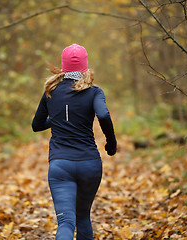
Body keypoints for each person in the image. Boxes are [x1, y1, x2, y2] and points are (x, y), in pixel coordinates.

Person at [32, 43, 117, 240]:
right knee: (83, 217)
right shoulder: (95, 92)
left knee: (66, 222)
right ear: (86, 67)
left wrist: (57, 117)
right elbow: (103, 115)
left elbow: (36, 125)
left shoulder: (50, 91)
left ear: (63, 67)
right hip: (90, 164)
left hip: (60, 166)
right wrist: (111, 144)